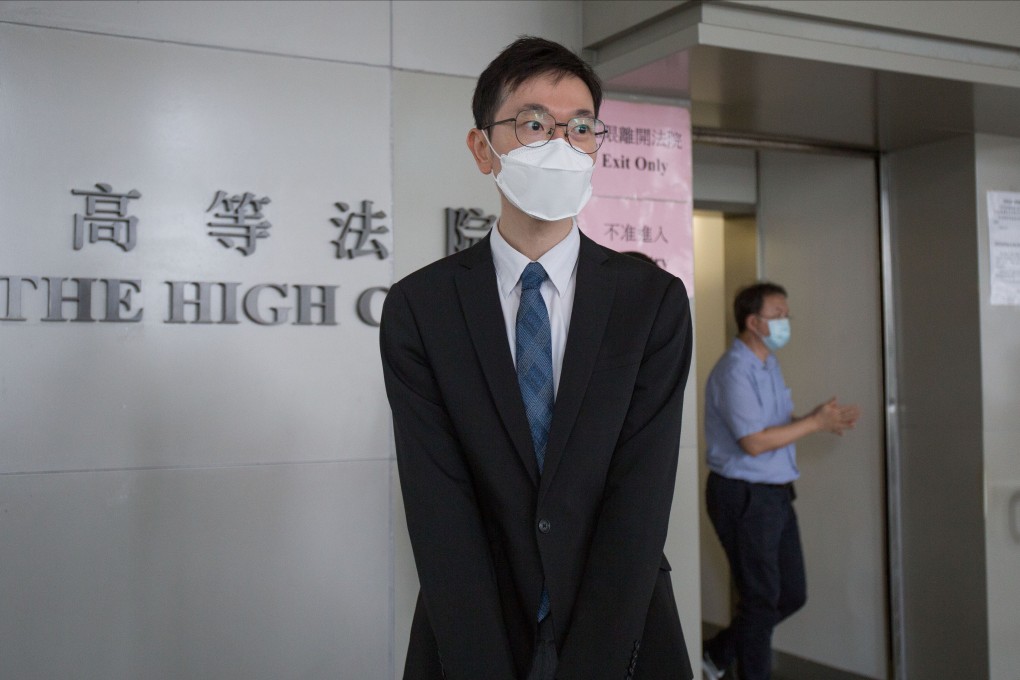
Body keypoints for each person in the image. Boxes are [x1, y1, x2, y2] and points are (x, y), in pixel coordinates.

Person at [380, 36, 694, 680]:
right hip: (474, 626)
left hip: (620, 628)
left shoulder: (651, 303)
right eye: (533, 123)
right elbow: (439, 506)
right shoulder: (422, 307)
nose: (560, 143)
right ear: (482, 148)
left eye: (580, 127)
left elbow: (640, 496)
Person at [701, 282, 860, 680]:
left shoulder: (768, 364)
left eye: (787, 314)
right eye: (778, 315)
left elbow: (773, 426)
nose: (786, 322)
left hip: (773, 493)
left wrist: (814, 419)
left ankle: (717, 653)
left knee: (791, 593)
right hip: (744, 495)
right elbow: (753, 442)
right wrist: (813, 423)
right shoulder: (733, 370)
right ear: (753, 322)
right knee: (760, 601)